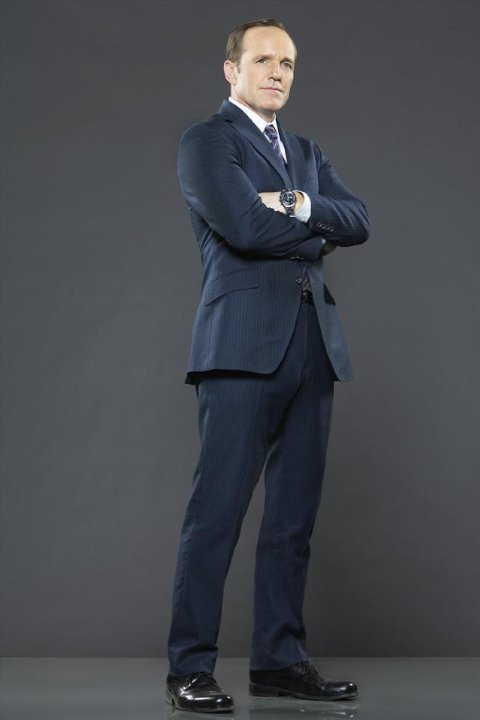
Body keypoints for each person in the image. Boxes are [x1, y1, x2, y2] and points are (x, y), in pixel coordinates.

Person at [166, 18, 369, 713]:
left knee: (292, 519)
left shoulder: (307, 152)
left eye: (286, 63)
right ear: (232, 70)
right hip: (240, 347)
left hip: (314, 346)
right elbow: (242, 228)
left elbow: (359, 219)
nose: (277, 72)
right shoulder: (208, 141)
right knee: (216, 514)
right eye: (262, 60)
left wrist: (297, 202)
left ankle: (279, 660)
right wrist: (317, 232)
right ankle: (189, 667)